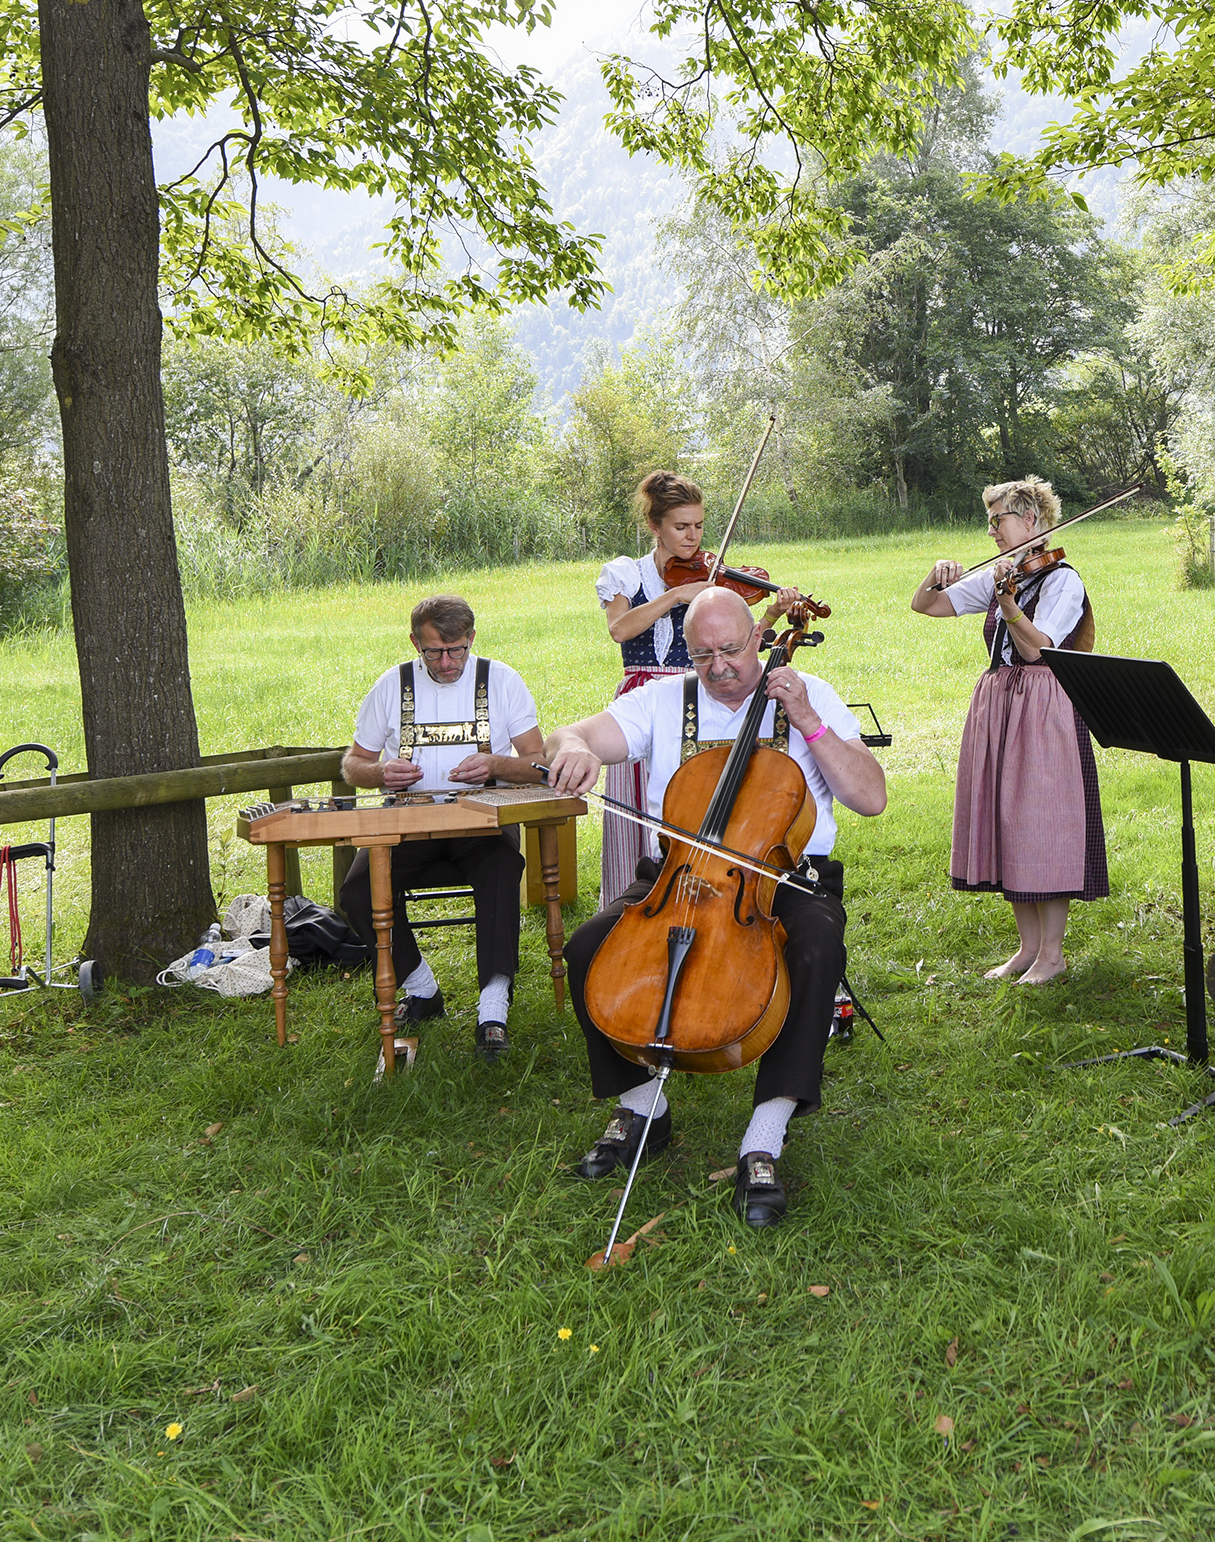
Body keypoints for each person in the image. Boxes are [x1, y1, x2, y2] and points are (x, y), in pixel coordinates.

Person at [539, 589, 887, 1228]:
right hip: (676, 875)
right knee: (589, 946)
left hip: (783, 877)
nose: (720, 667)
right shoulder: (663, 699)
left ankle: (765, 1136)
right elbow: (572, 733)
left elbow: (870, 797)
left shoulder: (808, 694)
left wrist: (809, 720)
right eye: (703, 655)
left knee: (815, 947)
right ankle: (643, 1108)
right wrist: (574, 748)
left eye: (731, 650)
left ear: (758, 637)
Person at [911, 476, 1107, 986]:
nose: (992, 530)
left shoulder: (1062, 580)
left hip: (1044, 708)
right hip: (1000, 704)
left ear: (1032, 520)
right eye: (990, 521)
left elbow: (1038, 650)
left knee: (1043, 822)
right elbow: (926, 605)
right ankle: (1027, 948)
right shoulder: (1005, 574)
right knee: (1007, 821)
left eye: (999, 519)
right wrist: (935, 575)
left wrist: (1010, 604)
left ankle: (1053, 954)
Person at [336, 594, 549, 1057]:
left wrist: (495, 764)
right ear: (416, 643)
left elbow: (539, 762)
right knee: (356, 891)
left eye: (457, 650)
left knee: (502, 867)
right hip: (408, 819)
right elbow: (353, 764)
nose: (448, 662)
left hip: (481, 819)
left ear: (471, 638)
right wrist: (381, 772)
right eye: (434, 652)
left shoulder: (501, 680)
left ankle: (493, 1009)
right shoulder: (392, 685)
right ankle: (422, 989)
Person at [594, 471, 766, 913]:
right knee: (638, 807)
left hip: (697, 695)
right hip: (643, 693)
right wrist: (676, 597)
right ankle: (631, 906)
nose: (693, 536)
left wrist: (771, 615)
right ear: (655, 527)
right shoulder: (626, 574)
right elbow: (620, 628)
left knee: (692, 798)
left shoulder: (712, 575)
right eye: (681, 526)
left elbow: (737, 645)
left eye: (699, 525)